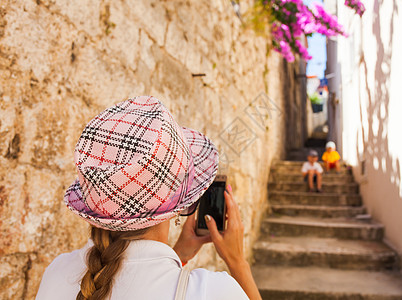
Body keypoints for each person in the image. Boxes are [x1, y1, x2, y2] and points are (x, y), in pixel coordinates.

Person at [35, 96, 261, 300]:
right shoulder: (212, 292)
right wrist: (237, 262)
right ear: (184, 204)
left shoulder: (57, 273)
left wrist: (180, 253)